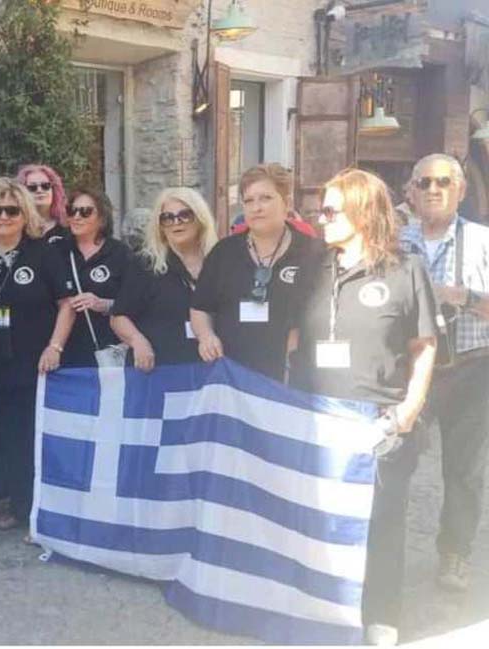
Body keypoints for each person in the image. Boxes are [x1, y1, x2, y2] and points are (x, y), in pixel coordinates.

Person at [288, 168, 437, 646]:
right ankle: (323, 604)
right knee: (320, 514)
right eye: (320, 211)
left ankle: (380, 612)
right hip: (319, 418)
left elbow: (424, 346)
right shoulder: (314, 266)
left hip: (378, 421)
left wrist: (409, 410)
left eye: (331, 211)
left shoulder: (406, 269)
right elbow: (292, 335)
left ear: (363, 212)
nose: (322, 219)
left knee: (381, 522)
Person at [399, 153, 489, 593]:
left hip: (470, 367)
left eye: (443, 182)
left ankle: (454, 554)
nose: (433, 190)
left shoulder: (483, 241)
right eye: (424, 183)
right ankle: (383, 551)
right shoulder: (396, 242)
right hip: (412, 370)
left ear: (461, 190)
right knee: (395, 461)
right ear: (411, 191)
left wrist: (463, 297)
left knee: (465, 468)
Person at [0, 178, 75, 531]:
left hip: (38, 363)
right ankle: (20, 506)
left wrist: (55, 346)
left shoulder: (43, 253)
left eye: (12, 210)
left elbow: (66, 305)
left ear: (25, 214)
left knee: (38, 437)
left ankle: (43, 511)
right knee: (10, 437)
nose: (3, 217)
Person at [191, 163, 326, 382]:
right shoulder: (223, 253)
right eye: (249, 201)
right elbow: (200, 308)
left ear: (286, 203)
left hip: (291, 379)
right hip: (232, 376)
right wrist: (206, 337)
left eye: (265, 198)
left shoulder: (313, 253)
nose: (256, 208)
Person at [112, 188, 218, 370]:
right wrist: (138, 341)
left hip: (210, 370)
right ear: (160, 226)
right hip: (158, 370)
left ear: (200, 218)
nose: (176, 222)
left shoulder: (220, 260)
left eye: (185, 215)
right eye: (167, 218)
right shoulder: (145, 264)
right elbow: (118, 317)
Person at [59, 187, 134, 367]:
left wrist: (102, 304)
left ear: (102, 218)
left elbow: (135, 303)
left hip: (108, 348)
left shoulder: (120, 253)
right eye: (72, 211)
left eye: (85, 212)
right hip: (65, 351)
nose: (77, 217)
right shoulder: (57, 251)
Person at [16, 164, 69, 244]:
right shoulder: (15, 228)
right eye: (32, 187)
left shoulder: (67, 225)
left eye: (45, 186)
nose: (39, 190)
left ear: (54, 190)